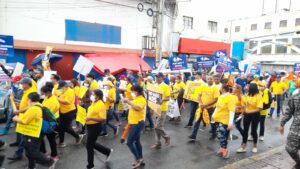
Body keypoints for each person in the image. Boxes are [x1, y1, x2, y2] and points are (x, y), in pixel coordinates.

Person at [12, 92, 56, 169]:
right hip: (35, 132)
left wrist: (15, 119)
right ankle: (31, 166)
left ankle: (50, 162)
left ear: (30, 100)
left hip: (33, 133)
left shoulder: (33, 109)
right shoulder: (40, 106)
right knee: (29, 151)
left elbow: (24, 121)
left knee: (33, 152)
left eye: (27, 99)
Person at [8, 77, 36, 161]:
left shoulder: (31, 92)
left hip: (26, 117)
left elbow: (30, 106)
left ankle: (19, 154)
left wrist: (18, 110)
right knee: (19, 132)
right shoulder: (25, 91)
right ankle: (18, 143)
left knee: (24, 137)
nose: (21, 85)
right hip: (21, 115)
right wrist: (18, 104)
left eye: (22, 83)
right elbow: (25, 103)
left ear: (27, 84)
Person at [85, 89, 113, 169]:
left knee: (89, 145)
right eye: (92, 94)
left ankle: (90, 166)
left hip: (95, 127)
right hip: (89, 126)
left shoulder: (101, 104)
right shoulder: (94, 102)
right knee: (91, 143)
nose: (92, 96)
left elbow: (103, 119)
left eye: (93, 94)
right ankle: (107, 151)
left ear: (98, 96)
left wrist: (90, 118)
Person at [188, 75, 219, 141]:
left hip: (210, 108)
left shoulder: (215, 88)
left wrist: (206, 105)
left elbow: (215, 99)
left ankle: (214, 133)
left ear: (213, 79)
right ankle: (193, 135)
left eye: (211, 79)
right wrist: (201, 104)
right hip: (202, 107)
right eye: (208, 79)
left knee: (212, 122)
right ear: (206, 79)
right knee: (197, 120)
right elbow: (199, 95)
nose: (209, 80)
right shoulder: (203, 86)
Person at [123, 85, 146, 168]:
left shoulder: (142, 99)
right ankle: (141, 159)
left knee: (129, 142)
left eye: (133, 91)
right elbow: (133, 105)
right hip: (133, 122)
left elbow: (138, 108)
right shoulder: (136, 98)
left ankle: (138, 159)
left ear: (137, 91)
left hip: (138, 123)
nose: (132, 92)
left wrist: (129, 102)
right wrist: (127, 101)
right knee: (136, 141)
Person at [279, 80, 300, 169]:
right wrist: (282, 123)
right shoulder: (295, 97)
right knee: (290, 148)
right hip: (296, 128)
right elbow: (288, 112)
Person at [237, 83, 263, 153]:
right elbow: (245, 105)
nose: (246, 87)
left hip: (255, 115)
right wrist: (242, 112)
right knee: (245, 130)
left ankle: (255, 145)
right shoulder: (247, 94)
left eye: (247, 86)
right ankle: (243, 146)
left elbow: (259, 108)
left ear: (252, 88)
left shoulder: (258, 96)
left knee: (253, 131)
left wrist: (248, 112)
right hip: (246, 115)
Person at [212, 85, 236, 159]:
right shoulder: (221, 96)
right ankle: (222, 148)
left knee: (220, 133)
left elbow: (232, 110)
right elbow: (217, 107)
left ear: (223, 89)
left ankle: (225, 149)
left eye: (220, 88)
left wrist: (230, 122)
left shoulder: (231, 98)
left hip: (225, 119)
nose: (220, 89)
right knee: (220, 134)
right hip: (217, 117)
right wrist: (213, 115)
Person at [57, 80, 83, 147]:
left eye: (61, 87)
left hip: (69, 112)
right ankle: (61, 142)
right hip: (62, 111)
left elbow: (67, 102)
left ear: (65, 86)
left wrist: (57, 99)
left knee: (66, 127)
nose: (60, 89)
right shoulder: (63, 91)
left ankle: (78, 137)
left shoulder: (70, 91)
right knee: (60, 127)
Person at [151, 72, 171, 149]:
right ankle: (158, 143)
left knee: (157, 126)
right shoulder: (154, 85)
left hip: (162, 109)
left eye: (158, 77)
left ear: (162, 77)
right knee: (157, 127)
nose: (157, 78)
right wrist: (153, 108)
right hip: (156, 108)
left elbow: (168, 98)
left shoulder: (165, 86)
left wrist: (162, 99)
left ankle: (166, 136)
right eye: (156, 77)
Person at [40, 84, 59, 161]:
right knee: (41, 137)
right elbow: (42, 106)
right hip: (45, 120)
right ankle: (43, 152)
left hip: (51, 122)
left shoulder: (54, 100)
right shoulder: (47, 98)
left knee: (51, 139)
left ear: (48, 92)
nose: (43, 95)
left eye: (43, 93)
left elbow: (48, 113)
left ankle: (54, 155)